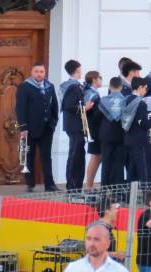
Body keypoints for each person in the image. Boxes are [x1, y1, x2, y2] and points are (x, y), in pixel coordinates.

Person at [16, 62, 59, 192]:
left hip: (47, 128)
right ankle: (30, 183)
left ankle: (49, 184)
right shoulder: (25, 87)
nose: (39, 74)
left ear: (44, 73)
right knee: (30, 155)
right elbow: (20, 108)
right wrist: (23, 127)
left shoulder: (50, 86)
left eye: (42, 71)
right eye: (37, 71)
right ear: (32, 72)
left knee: (46, 156)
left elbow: (55, 105)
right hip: (30, 129)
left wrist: (53, 122)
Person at [60, 59, 88, 193]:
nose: (81, 71)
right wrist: (84, 107)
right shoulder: (73, 87)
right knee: (75, 154)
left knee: (77, 154)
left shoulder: (72, 86)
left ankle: (76, 184)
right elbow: (69, 106)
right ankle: (72, 185)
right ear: (77, 70)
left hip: (74, 125)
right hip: (75, 125)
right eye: (80, 69)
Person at [122, 76, 151, 186]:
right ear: (140, 87)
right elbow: (144, 123)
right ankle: (147, 194)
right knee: (143, 168)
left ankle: (130, 195)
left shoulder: (126, 100)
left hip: (129, 138)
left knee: (132, 168)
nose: (146, 91)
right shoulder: (141, 103)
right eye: (145, 88)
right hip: (140, 140)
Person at [97, 77, 128, 187]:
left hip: (106, 135)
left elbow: (97, 118)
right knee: (119, 163)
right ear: (121, 87)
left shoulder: (103, 100)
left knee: (106, 162)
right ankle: (118, 188)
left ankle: (104, 188)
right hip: (121, 135)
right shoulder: (126, 100)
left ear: (109, 87)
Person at [83, 70, 105, 189]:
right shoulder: (91, 94)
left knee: (97, 156)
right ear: (94, 80)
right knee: (96, 156)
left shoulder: (92, 92)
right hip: (95, 129)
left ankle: (89, 185)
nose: (101, 80)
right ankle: (89, 185)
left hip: (94, 128)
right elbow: (93, 112)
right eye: (100, 77)